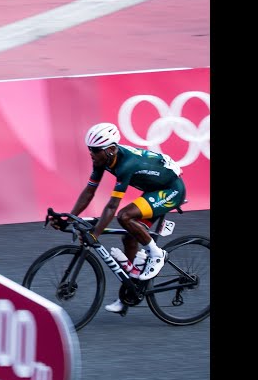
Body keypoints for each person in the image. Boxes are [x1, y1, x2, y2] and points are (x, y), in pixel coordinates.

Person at [57, 121, 187, 312]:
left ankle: (157, 254)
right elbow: (89, 192)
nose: (91, 153)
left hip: (171, 190)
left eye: (95, 150)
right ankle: (129, 293)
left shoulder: (126, 164)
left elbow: (112, 206)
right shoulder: (102, 159)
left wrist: (95, 234)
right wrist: (68, 219)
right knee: (129, 238)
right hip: (154, 190)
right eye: (89, 149)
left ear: (110, 149)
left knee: (124, 216)